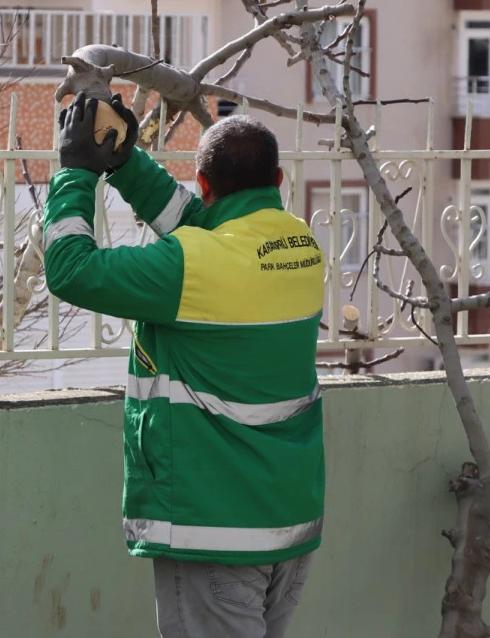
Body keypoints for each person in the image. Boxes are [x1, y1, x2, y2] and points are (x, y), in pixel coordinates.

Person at [44, 92, 327, 638]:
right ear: (279, 181)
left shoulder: (190, 267)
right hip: (288, 523)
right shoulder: (301, 245)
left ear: (203, 181)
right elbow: (202, 224)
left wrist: (76, 175)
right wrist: (128, 163)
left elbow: (69, 269)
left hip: (216, 529)